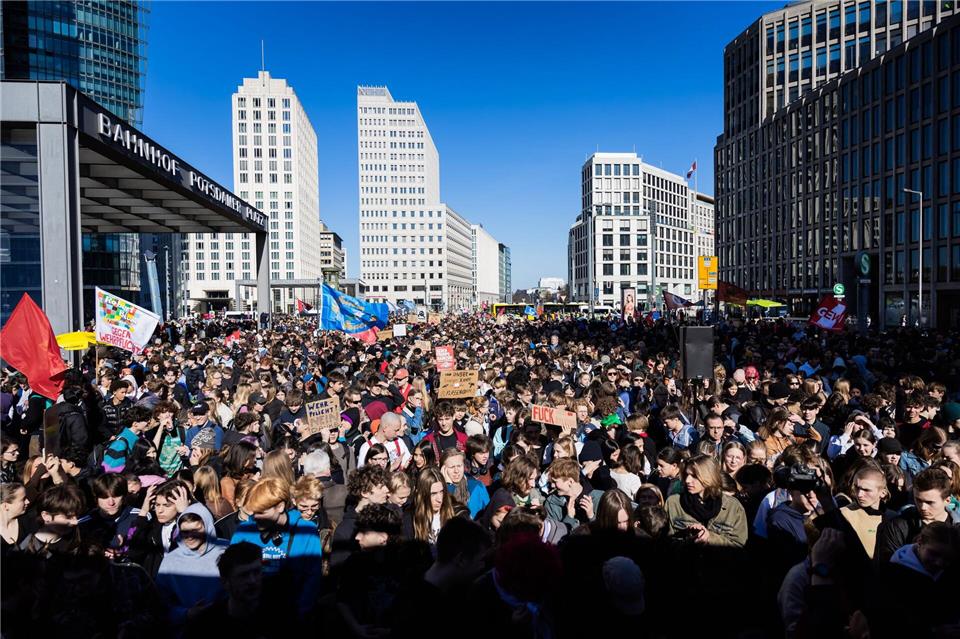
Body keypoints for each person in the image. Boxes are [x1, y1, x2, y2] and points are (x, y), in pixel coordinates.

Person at [228, 477, 322, 616]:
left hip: (292, 616)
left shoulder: (306, 531)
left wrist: (299, 616)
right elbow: (232, 575)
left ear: (280, 507)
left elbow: (312, 580)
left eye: (262, 512)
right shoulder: (245, 531)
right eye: (254, 512)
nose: (256, 517)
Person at [182, 541, 277, 639]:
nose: (252, 581)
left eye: (256, 572)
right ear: (225, 582)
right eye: (243, 575)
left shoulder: (276, 614)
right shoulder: (207, 624)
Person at [156, 503, 228, 627]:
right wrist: (186, 614)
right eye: (185, 532)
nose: (190, 537)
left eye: (196, 530)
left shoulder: (226, 551)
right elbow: (160, 605)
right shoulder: (170, 562)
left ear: (208, 527)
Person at [875, 467, 960, 564]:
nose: (923, 507)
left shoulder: (957, 528)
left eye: (930, 502)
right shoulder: (898, 527)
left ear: (947, 501)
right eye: (918, 500)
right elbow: (889, 564)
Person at [664, 454, 748, 547]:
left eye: (694, 476)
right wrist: (687, 536)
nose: (688, 480)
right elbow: (664, 543)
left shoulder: (733, 507)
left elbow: (738, 545)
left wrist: (710, 538)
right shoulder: (674, 503)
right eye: (686, 475)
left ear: (709, 476)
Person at [409, 466, 456, 544]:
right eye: (433, 494)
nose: (439, 499)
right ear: (422, 494)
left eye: (441, 492)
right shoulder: (410, 519)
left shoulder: (456, 514)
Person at [440, 448, 489, 518]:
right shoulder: (438, 490)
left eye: (459, 466)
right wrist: (448, 486)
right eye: (452, 467)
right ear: (443, 469)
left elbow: (488, 515)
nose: (456, 471)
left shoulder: (477, 486)